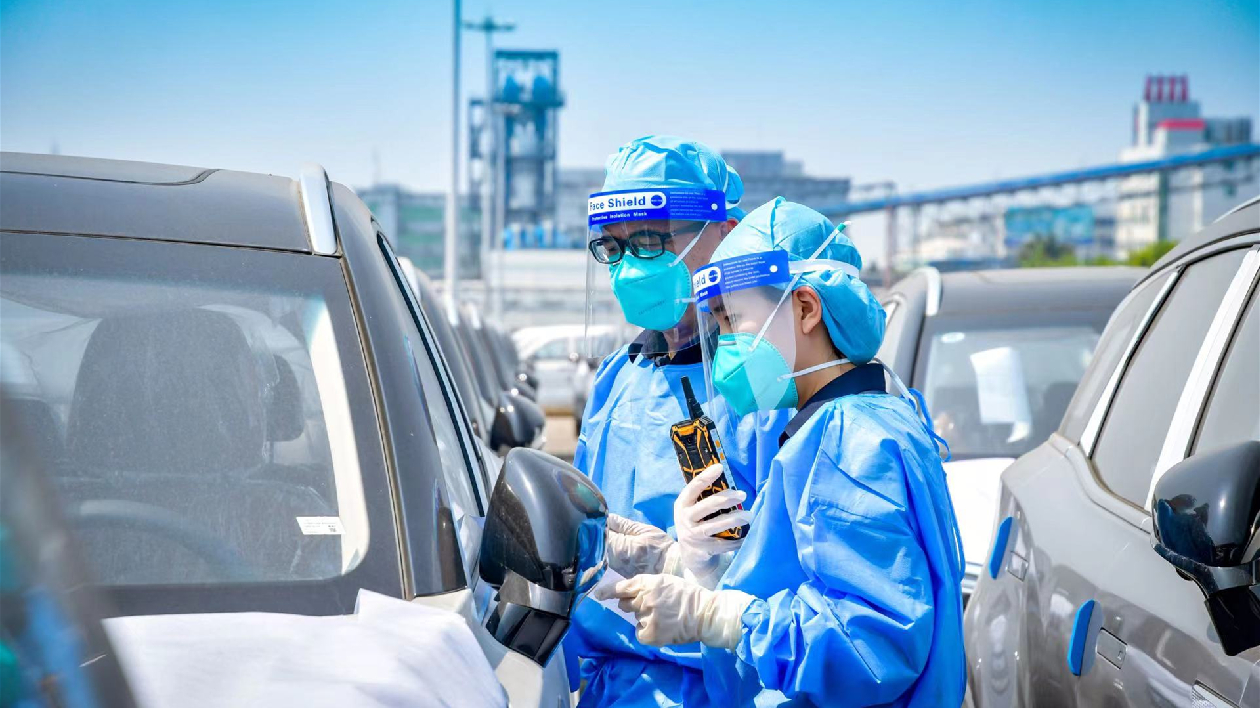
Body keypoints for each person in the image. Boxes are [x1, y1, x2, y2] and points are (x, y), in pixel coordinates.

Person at [608, 198, 967, 707]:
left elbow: (870, 646)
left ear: (805, 308)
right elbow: (813, 580)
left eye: (734, 319)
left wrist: (720, 618)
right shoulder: (859, 419)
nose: (725, 342)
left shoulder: (850, 439)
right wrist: (691, 565)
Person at [566, 137, 791, 707]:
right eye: (614, 249)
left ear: (726, 232)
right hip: (614, 687)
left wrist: (699, 577)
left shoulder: (765, 385)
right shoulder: (619, 378)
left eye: (650, 240)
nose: (630, 268)